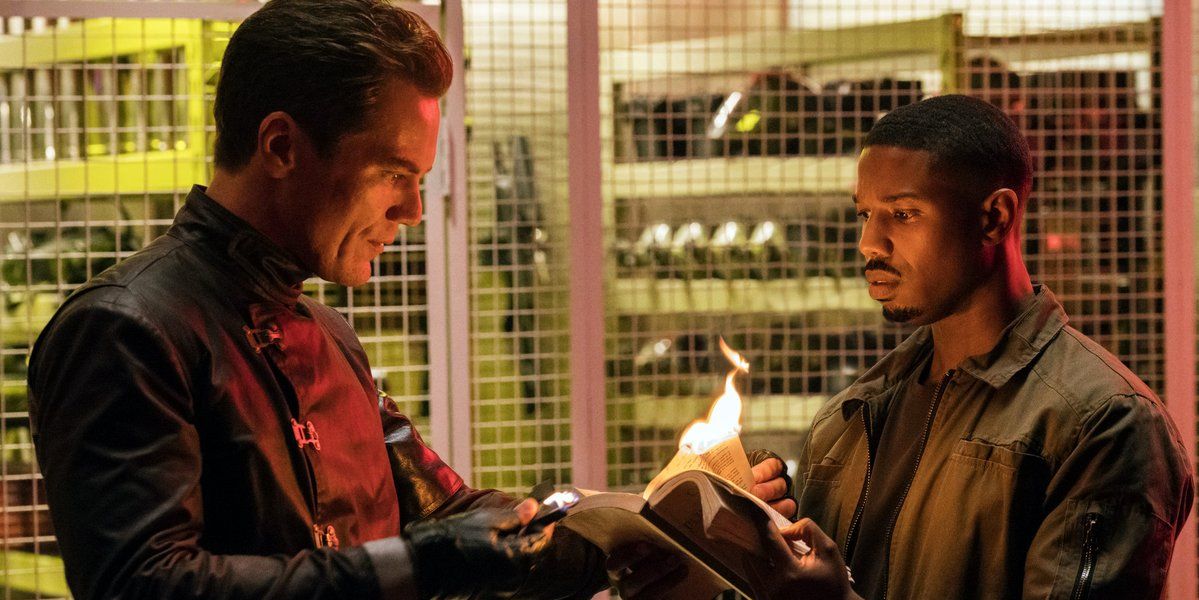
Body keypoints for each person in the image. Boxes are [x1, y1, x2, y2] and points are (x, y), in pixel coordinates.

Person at [25, 2, 796, 599]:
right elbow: (141, 585)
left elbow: (450, 517)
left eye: (422, 180)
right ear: (282, 146)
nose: (414, 211)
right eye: (395, 174)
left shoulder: (329, 335)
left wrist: (657, 523)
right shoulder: (126, 328)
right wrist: (411, 566)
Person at [788, 94, 1194, 599]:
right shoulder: (849, 418)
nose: (869, 242)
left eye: (903, 213)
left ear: (995, 217)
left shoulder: (1103, 423)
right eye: (865, 214)